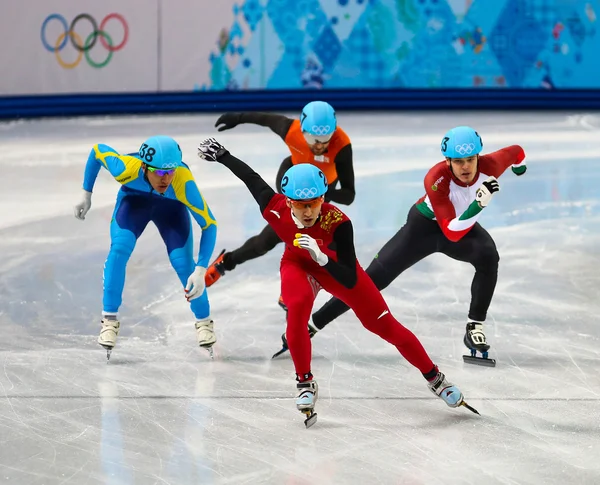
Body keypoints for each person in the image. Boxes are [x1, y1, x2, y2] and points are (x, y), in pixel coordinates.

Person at [197, 137, 478, 427]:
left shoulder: (339, 223)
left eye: (314, 203)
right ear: (289, 201)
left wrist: (322, 258)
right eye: (301, 205)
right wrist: (223, 155)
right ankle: (305, 383)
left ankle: (435, 378)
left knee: (384, 325)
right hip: (297, 265)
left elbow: (349, 276)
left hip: (336, 267)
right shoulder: (274, 208)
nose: (308, 212)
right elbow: (250, 178)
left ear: (323, 199)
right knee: (297, 313)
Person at [308, 126, 527, 366]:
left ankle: (474, 326)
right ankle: (314, 324)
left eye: (470, 160)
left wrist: (519, 167)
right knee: (369, 283)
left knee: (488, 257)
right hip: (423, 228)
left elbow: (517, 152)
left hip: (461, 225)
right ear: (447, 161)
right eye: (458, 161)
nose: (465, 167)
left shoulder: (492, 165)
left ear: (478, 157)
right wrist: (478, 205)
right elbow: (451, 232)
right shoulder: (436, 179)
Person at [73, 135, 218, 360]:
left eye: (171, 171)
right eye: (159, 172)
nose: (166, 178)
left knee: (184, 265)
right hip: (134, 203)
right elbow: (98, 151)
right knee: (119, 250)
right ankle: (109, 320)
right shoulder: (126, 168)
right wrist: (86, 194)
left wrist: (200, 269)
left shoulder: (182, 180)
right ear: (144, 166)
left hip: (171, 210)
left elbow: (209, 224)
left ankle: (204, 322)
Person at [204, 101, 355, 312]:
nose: (319, 145)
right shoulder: (290, 130)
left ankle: (287, 281)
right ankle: (225, 263)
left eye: (325, 139)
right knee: (268, 241)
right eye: (313, 139)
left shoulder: (342, 145)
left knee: (312, 241)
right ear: (303, 131)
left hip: (322, 191)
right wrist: (238, 117)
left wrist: (323, 194)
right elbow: (265, 119)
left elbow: (349, 195)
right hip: (291, 180)